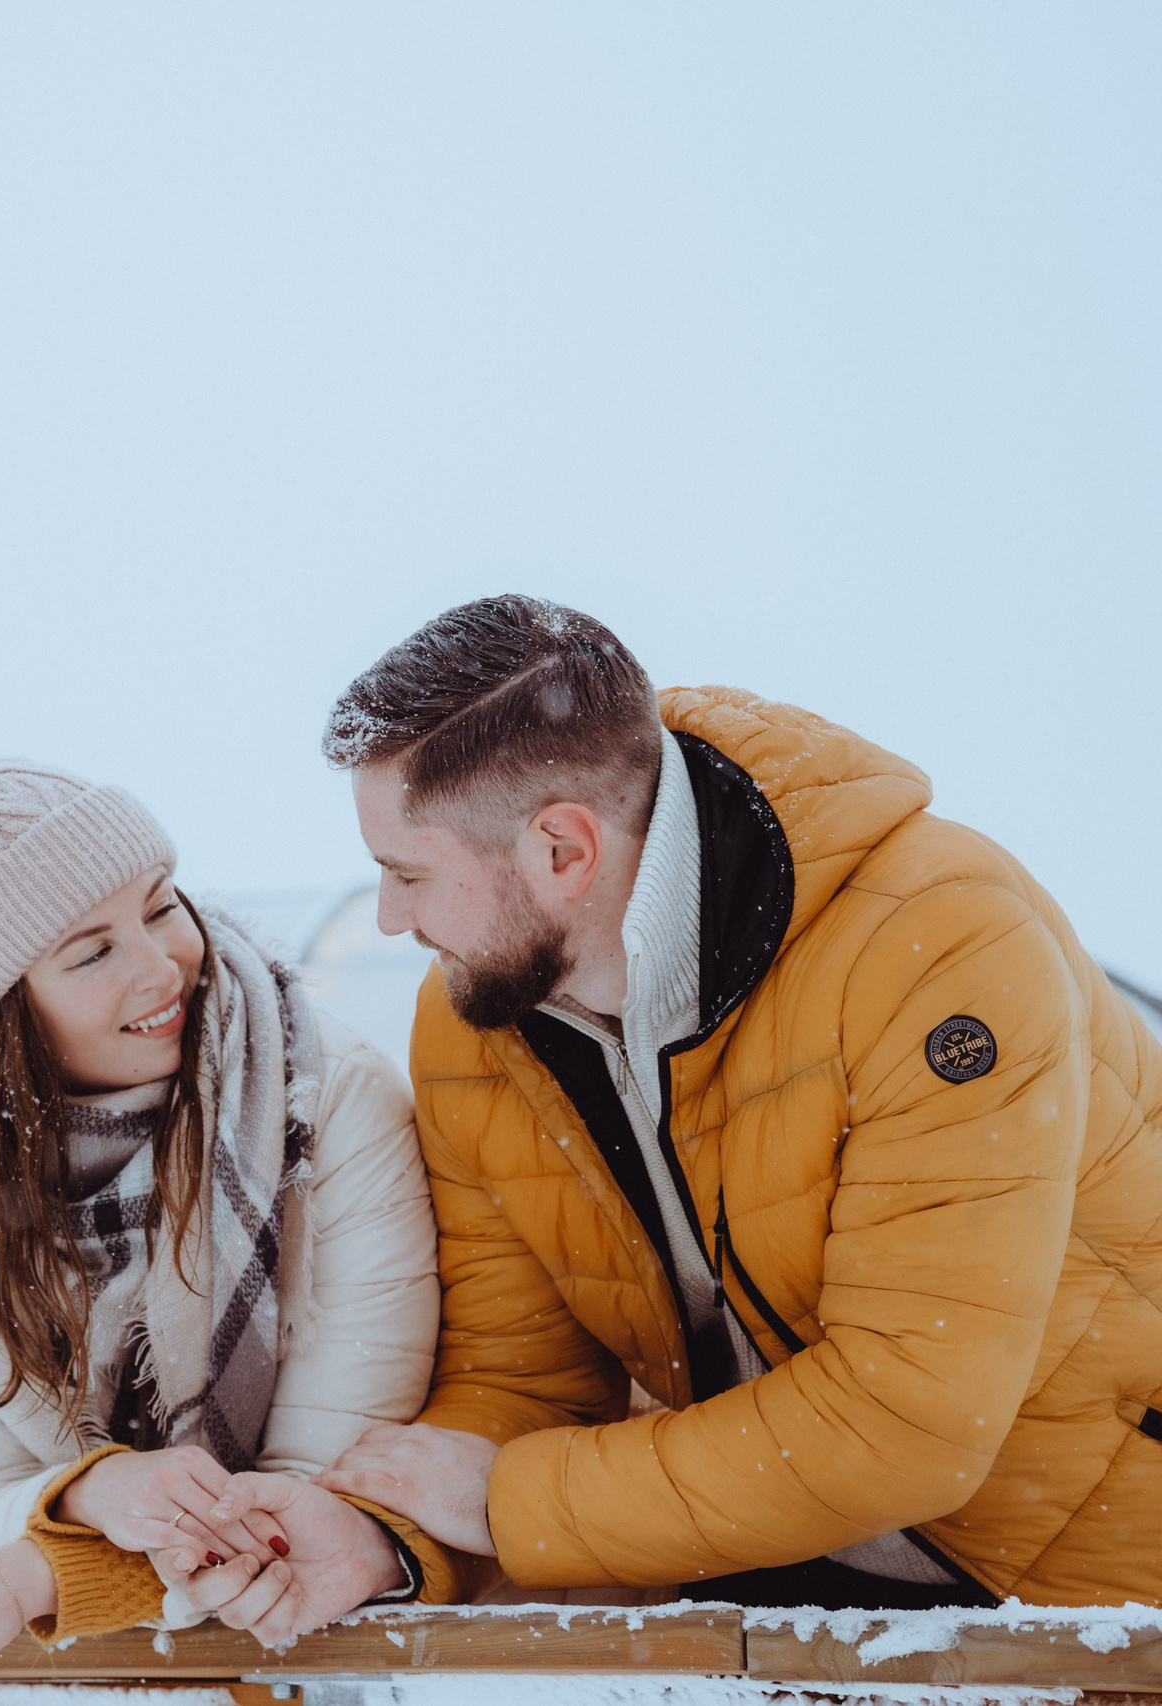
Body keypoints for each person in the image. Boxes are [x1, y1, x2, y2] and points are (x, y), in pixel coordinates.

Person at [280, 594, 1162, 1612]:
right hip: (735, 1571)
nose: (392, 918)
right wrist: (385, 1536)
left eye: (408, 873)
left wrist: (521, 1501)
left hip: (1077, 1587)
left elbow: (906, 1420)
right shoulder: (478, 1018)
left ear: (563, 850)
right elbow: (523, 1383)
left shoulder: (939, 947)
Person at [0, 764, 444, 1706]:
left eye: (161, 905)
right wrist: (92, 1491)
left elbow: (303, 1515)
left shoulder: (326, 1096)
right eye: (91, 952)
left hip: (346, 1672)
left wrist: (31, 1574)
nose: (161, 965)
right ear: (12, 1009)